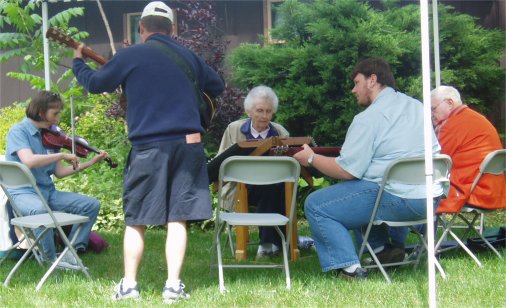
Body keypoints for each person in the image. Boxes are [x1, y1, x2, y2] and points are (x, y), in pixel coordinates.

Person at [72, 1, 224, 303]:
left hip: (148, 147)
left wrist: (78, 61)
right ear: (172, 29)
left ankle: (129, 286)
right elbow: (216, 85)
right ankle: (172, 286)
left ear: (141, 28)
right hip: (188, 144)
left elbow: (94, 83)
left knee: (137, 219)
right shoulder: (190, 56)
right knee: (178, 218)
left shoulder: (130, 55)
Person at [293, 57, 442, 280]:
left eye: (356, 82)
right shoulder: (418, 107)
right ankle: (383, 251)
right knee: (355, 190)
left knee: (317, 205)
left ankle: (349, 269)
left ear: (372, 80)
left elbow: (347, 170)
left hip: (398, 198)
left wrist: (311, 158)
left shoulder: (368, 118)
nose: (354, 90)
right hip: (431, 199)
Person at [5, 90, 106, 269]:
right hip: (23, 194)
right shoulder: (18, 131)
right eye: (55, 113)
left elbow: (59, 172)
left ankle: (72, 251)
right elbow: (29, 160)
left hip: (48, 193)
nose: (59, 118)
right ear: (41, 111)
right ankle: (50, 259)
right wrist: (61, 154)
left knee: (91, 205)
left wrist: (91, 162)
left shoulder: (50, 136)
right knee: (39, 210)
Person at [218, 85, 289, 259]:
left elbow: (289, 165)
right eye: (259, 111)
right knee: (269, 186)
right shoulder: (234, 129)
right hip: (240, 189)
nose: (264, 116)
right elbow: (221, 164)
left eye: (268, 111)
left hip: (275, 188)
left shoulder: (280, 132)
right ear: (249, 111)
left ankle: (269, 243)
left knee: (273, 185)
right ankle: (273, 243)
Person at [431, 85, 505, 213]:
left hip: (470, 193)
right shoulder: (476, 118)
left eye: (433, 109)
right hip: (493, 192)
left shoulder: (453, 125)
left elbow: (437, 165)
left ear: (449, 103)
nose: (431, 115)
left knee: (410, 195)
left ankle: (421, 231)